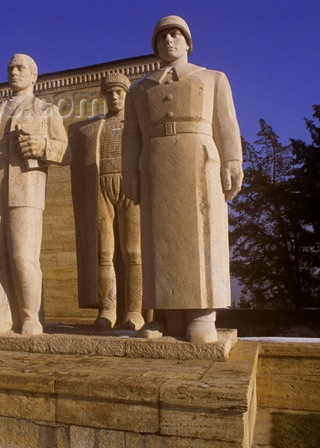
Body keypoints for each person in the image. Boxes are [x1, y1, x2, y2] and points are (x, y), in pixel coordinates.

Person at [121, 15, 244, 343]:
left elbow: (227, 123)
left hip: (198, 160)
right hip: (154, 163)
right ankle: (165, 315)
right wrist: (129, 172)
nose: (168, 41)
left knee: (200, 235)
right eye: (161, 37)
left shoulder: (213, 78)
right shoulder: (139, 90)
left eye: (176, 35)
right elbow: (130, 137)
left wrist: (232, 160)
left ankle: (202, 313)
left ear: (188, 42)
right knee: (158, 236)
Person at [0, 54, 68, 336]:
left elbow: (66, 150)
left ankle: (29, 315)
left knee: (23, 256)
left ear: (34, 76)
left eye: (20, 67)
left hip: (25, 191)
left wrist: (43, 146)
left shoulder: (46, 110)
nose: (14, 72)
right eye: (10, 67)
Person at [68, 73, 144, 330]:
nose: (114, 97)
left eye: (119, 92)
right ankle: (108, 309)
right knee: (104, 252)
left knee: (133, 252)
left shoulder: (137, 126)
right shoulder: (92, 128)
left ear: (127, 94)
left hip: (131, 187)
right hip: (100, 187)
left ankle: (135, 311)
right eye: (109, 93)